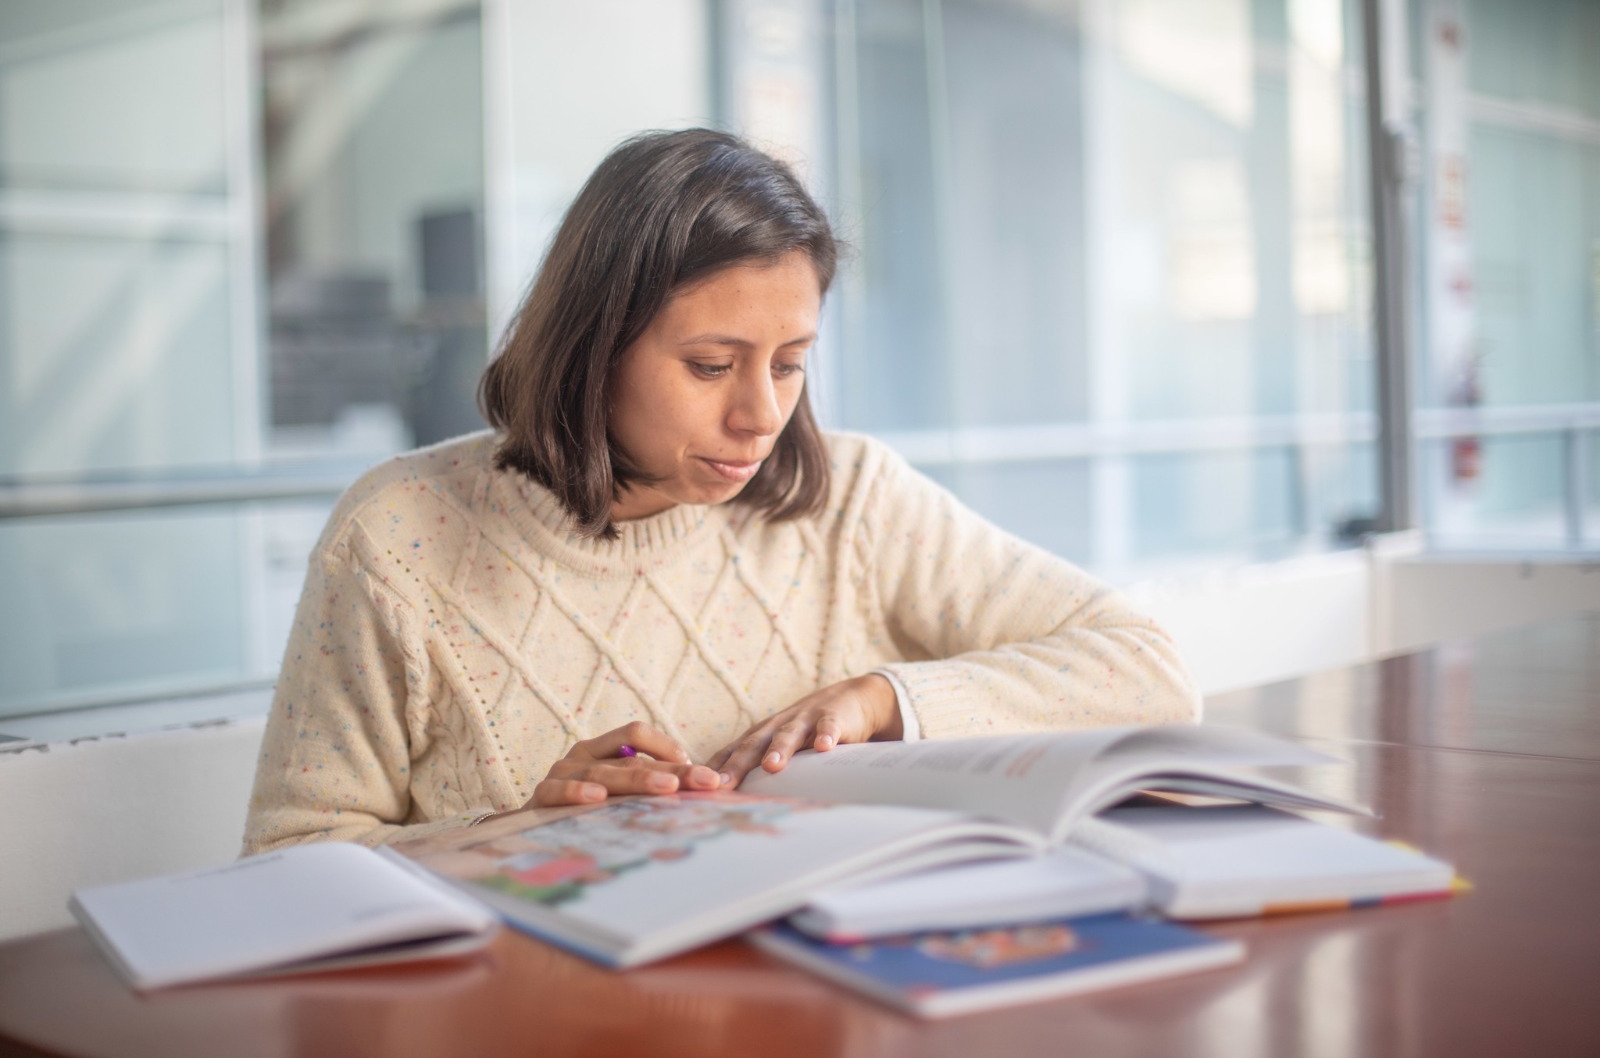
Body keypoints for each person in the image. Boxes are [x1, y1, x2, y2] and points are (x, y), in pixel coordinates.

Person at [242, 128, 1199, 855]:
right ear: (592, 344)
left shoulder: (853, 501)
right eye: (710, 366)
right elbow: (287, 868)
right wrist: (521, 831)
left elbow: (1149, 672)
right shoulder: (397, 537)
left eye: (789, 364)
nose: (761, 414)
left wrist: (884, 699)